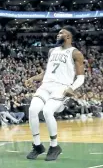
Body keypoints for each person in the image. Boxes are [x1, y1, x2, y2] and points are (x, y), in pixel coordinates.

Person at [25, 26, 85, 161]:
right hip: (46, 85)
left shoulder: (75, 53)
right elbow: (48, 72)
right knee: (33, 110)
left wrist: (72, 88)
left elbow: (81, 77)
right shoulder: (52, 51)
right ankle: (37, 145)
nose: (58, 35)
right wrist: (33, 78)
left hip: (61, 87)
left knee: (47, 111)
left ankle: (54, 146)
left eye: (61, 33)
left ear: (68, 37)